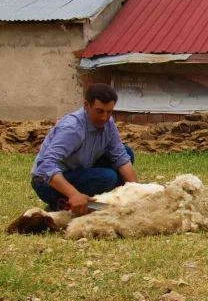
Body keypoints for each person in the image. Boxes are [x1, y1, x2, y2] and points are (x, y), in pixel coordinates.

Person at [31, 83, 137, 216]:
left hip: (78, 171)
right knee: (107, 177)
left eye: (109, 112)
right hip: (46, 183)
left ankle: (99, 205)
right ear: (87, 105)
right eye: (99, 111)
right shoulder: (72, 128)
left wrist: (137, 192)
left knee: (127, 153)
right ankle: (65, 204)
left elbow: (121, 157)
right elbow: (46, 166)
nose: (104, 117)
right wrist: (74, 194)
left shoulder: (108, 123)